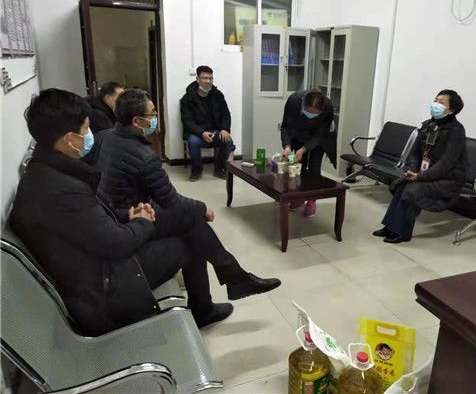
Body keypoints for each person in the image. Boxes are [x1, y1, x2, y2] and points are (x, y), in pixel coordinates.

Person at [11, 89, 280, 337]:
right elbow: (117, 242)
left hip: (98, 259)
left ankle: (229, 284)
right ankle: (217, 296)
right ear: (70, 139)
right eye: (86, 129)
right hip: (105, 286)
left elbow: (92, 222)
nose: (91, 133)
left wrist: (128, 215)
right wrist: (142, 221)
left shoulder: (45, 173)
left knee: (190, 222)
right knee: (191, 239)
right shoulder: (63, 190)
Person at [94, 88, 281, 317]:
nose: (156, 118)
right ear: (136, 121)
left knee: (193, 225)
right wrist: (203, 208)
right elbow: (172, 202)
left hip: (116, 214)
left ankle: (230, 283)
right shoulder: (143, 156)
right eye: (152, 114)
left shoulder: (106, 137)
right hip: (129, 222)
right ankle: (226, 288)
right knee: (193, 221)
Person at [373, 89, 468, 244]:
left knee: (413, 190)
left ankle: (401, 231)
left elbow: (447, 163)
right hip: (425, 174)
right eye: (435, 100)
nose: (436, 104)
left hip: (447, 179)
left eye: (441, 102)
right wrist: (412, 170)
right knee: (402, 185)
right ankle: (390, 226)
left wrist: (420, 176)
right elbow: (415, 153)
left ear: (451, 110)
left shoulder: (456, 131)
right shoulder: (428, 125)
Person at [280, 90, 337, 218]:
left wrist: (304, 149)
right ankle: (299, 197)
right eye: (307, 112)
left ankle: (312, 200)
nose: (310, 115)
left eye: (314, 114)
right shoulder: (293, 101)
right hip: (298, 132)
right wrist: (287, 147)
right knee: (298, 166)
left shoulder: (327, 107)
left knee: (314, 168)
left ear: (321, 111)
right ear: (302, 105)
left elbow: (320, 134)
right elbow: (286, 126)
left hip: (318, 136)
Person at [180, 66, 233, 181]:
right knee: (193, 142)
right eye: (204, 78)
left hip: (214, 131)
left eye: (210, 78)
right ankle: (196, 171)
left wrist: (225, 129)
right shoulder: (187, 98)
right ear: (197, 79)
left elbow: (226, 114)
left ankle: (219, 168)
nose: (208, 81)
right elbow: (187, 121)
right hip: (196, 133)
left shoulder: (217, 95)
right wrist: (201, 133)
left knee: (227, 140)